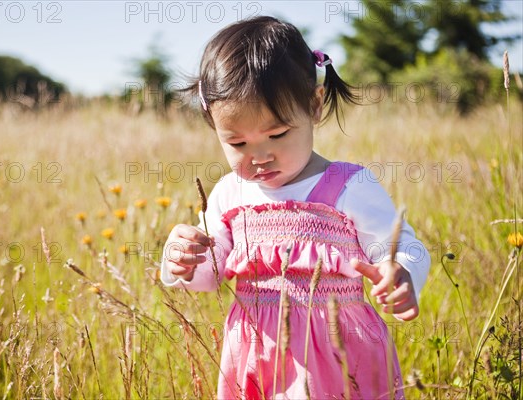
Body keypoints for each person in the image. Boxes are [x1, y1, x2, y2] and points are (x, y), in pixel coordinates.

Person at [161, 15, 430, 399]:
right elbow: (209, 275)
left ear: (314, 106)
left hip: (341, 354)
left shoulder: (348, 186)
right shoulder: (229, 195)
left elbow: (403, 242)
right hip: (257, 355)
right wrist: (181, 259)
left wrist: (401, 271)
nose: (259, 156)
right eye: (237, 143)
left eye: (277, 134)